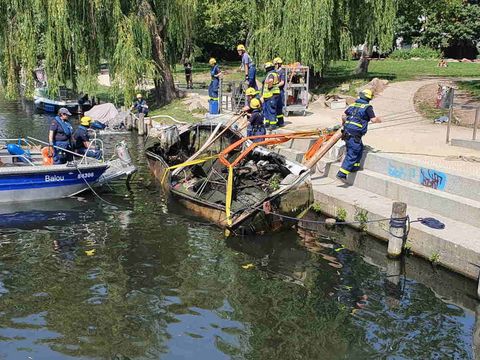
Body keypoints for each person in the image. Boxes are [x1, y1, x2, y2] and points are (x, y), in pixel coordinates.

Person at [336, 89, 382, 182]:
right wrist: (379, 120)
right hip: (355, 133)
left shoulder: (353, 104)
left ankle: (354, 167)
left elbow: (344, 116)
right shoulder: (368, 107)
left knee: (359, 148)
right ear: (369, 98)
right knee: (353, 152)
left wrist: (344, 124)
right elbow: (373, 120)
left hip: (347, 131)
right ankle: (342, 174)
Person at [261, 62, 280, 130]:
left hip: (271, 95)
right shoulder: (273, 73)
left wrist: (269, 87)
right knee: (266, 110)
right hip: (268, 96)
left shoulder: (271, 74)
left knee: (271, 110)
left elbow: (271, 81)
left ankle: (273, 125)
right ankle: (267, 123)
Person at [274, 57, 286, 127]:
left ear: (278, 64)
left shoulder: (282, 72)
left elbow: (282, 82)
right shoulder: (275, 71)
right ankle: (277, 121)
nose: (275, 65)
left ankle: (281, 122)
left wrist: (275, 86)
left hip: (280, 92)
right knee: (275, 107)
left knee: (279, 107)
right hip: (275, 92)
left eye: (275, 64)